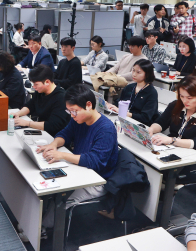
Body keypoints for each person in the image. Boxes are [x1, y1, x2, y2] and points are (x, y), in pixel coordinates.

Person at [37, 84, 119, 231]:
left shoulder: (105, 129)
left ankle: (41, 229)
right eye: (69, 112)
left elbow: (95, 161)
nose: (72, 116)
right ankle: (37, 221)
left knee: (61, 198)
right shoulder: (79, 119)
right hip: (80, 169)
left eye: (74, 111)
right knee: (46, 186)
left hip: (97, 180)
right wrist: (54, 144)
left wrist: (62, 155)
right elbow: (65, 133)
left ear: (88, 105)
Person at [148, 76, 196, 184]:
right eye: (182, 96)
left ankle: (163, 195)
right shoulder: (176, 105)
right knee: (148, 163)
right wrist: (151, 129)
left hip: (195, 161)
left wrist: (172, 140)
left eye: (190, 98)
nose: (185, 101)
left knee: (158, 171)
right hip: (172, 151)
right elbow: (161, 123)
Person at [13, 65, 70, 137]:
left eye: (36, 84)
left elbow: (52, 125)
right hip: (42, 131)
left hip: (55, 136)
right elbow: (30, 105)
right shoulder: (41, 92)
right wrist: (18, 113)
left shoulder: (61, 98)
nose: (34, 87)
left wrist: (27, 123)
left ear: (47, 82)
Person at [106, 59, 159, 126]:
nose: (134, 74)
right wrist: (111, 106)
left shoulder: (151, 93)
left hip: (141, 125)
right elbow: (120, 103)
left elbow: (145, 118)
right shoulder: (129, 87)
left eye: (138, 72)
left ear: (147, 74)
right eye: (133, 70)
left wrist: (126, 113)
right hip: (125, 120)